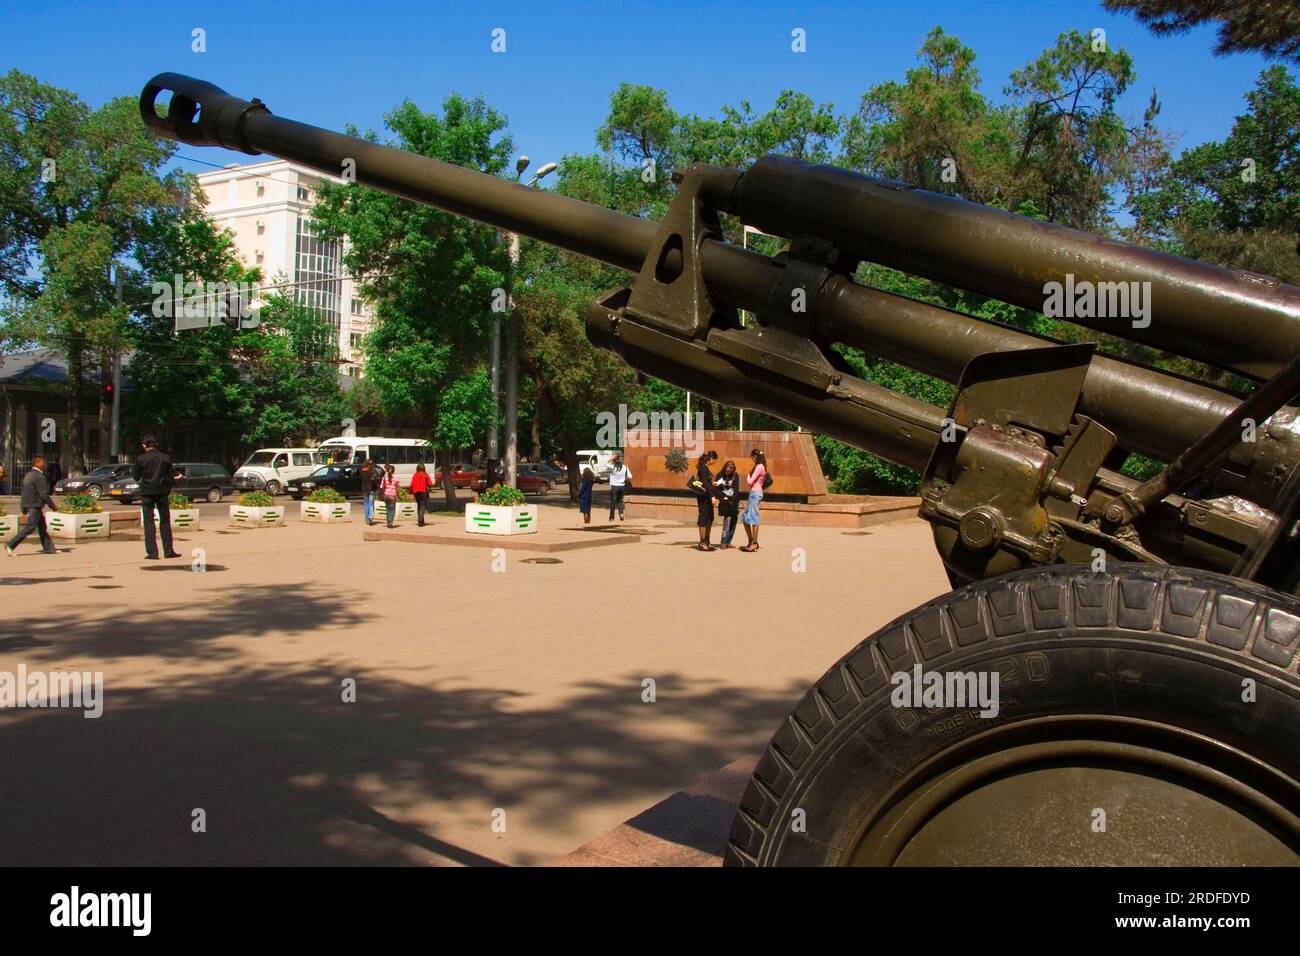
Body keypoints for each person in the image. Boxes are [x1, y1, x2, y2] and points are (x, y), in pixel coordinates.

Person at [134, 435, 181, 560]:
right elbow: (171, 474)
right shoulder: (165, 458)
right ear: (155, 444)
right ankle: (168, 551)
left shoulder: (140, 459)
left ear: (144, 445)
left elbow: (136, 477)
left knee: (149, 522)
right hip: (162, 492)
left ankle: (152, 553)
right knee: (165, 521)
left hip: (147, 494)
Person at [5, 455, 58, 556]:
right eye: (42, 462)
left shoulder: (28, 475)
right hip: (35, 506)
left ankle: (49, 548)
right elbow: (43, 494)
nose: (44, 464)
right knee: (29, 528)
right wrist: (53, 507)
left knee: (42, 527)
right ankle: (10, 544)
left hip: (30, 505)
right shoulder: (39, 476)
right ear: (37, 463)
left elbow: (24, 493)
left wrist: (24, 509)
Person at [690, 449, 718, 551]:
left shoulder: (704, 467)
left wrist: (712, 483)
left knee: (710, 518)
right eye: (714, 460)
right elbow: (705, 483)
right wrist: (712, 496)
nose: (714, 462)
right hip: (704, 497)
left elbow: (706, 481)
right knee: (704, 518)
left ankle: (707, 540)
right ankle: (703, 542)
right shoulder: (703, 467)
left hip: (706, 496)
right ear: (710, 459)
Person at [740, 448, 768, 552]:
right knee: (745, 518)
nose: (751, 459)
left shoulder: (759, 467)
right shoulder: (761, 466)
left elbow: (750, 482)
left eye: (752, 457)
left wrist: (748, 475)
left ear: (755, 456)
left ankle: (754, 543)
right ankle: (751, 541)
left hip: (755, 493)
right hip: (754, 493)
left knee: (754, 518)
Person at [714, 460, 740, 550]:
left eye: (730, 470)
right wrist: (723, 497)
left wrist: (734, 499)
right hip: (724, 501)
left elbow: (736, 489)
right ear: (724, 468)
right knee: (727, 521)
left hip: (734, 501)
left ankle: (729, 541)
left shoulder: (735, 476)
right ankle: (723, 542)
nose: (728, 471)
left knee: (734, 522)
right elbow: (716, 489)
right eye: (727, 470)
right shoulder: (720, 476)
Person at [607, 453, 632, 522]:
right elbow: (630, 476)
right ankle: (621, 515)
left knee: (613, 502)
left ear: (614, 461)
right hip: (622, 487)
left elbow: (605, 464)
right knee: (620, 501)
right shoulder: (625, 467)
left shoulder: (613, 467)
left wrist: (610, 459)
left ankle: (612, 518)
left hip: (614, 487)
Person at [410, 462, 433, 526]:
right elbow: (430, 483)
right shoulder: (426, 475)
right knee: (422, 507)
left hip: (416, 493)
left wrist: (411, 491)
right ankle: (420, 520)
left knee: (419, 506)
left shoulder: (415, 475)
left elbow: (411, 484)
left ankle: (421, 520)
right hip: (423, 492)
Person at [379, 463, 401, 528]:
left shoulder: (384, 478)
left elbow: (382, 487)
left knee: (388, 509)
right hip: (393, 495)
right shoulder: (396, 478)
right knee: (392, 510)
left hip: (386, 495)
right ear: (394, 471)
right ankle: (390, 522)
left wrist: (382, 494)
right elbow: (397, 488)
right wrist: (398, 496)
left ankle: (388, 521)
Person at [359, 459, 380, 526]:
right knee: (371, 503)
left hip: (364, 489)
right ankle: (371, 516)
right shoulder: (372, 471)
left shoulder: (361, 471)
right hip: (371, 489)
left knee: (366, 504)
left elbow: (360, 480)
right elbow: (375, 480)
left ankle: (366, 520)